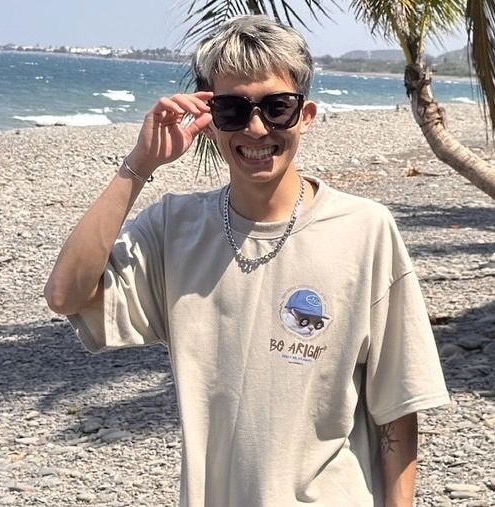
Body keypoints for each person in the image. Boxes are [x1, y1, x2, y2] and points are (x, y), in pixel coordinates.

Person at [45, 15, 450, 507]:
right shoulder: (174, 229)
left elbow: (396, 406)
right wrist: (139, 165)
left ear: (306, 115)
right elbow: (66, 295)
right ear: (210, 119)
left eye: (277, 108)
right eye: (233, 110)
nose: (257, 129)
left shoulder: (365, 229)